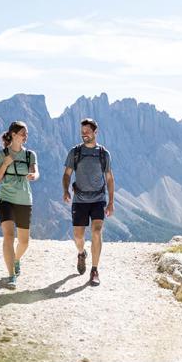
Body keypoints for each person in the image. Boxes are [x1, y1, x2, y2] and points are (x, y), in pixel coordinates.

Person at [62, 118, 115, 286]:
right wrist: (65, 190)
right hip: (79, 200)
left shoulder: (103, 153)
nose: (84, 134)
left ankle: (94, 270)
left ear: (95, 132)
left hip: (98, 199)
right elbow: (67, 174)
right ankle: (81, 253)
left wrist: (111, 202)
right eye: (82, 132)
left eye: (87, 131)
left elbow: (109, 178)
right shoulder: (75, 152)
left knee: (97, 232)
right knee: (78, 237)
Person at [0, 121, 39, 289]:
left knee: (24, 242)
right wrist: (5, 163)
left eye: (26, 133)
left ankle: (16, 259)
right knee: (9, 236)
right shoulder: (2, 154)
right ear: (13, 134)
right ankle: (11, 276)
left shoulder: (30, 155)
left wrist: (34, 175)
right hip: (5, 199)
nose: (26, 136)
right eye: (23, 133)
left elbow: (35, 171)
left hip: (24, 200)